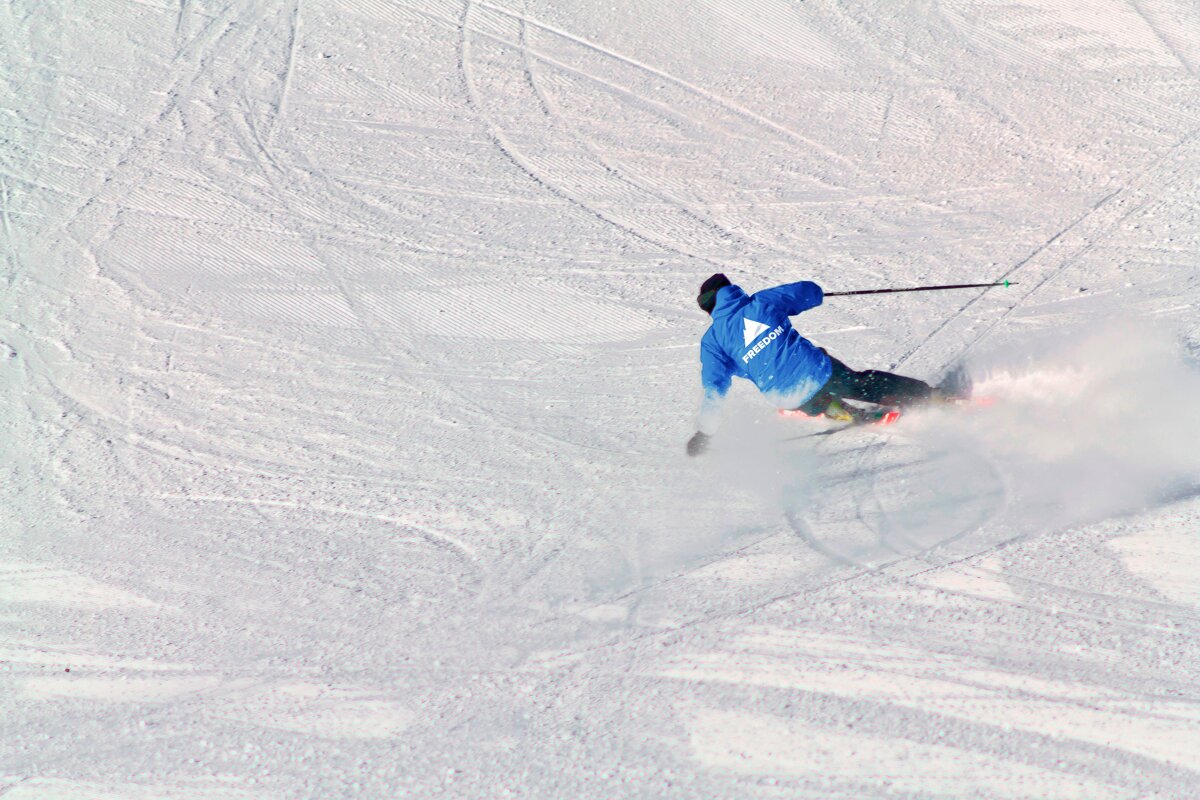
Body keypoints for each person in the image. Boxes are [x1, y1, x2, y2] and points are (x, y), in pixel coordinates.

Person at [687, 273, 953, 456]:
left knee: (801, 392)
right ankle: (930, 395)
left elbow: (714, 388)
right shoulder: (761, 302)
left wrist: (705, 432)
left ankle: (836, 409)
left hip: (783, 396)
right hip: (818, 372)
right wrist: (813, 296)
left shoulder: (712, 342)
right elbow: (809, 291)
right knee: (861, 382)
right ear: (730, 290)